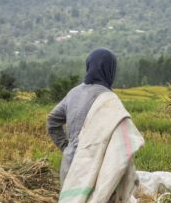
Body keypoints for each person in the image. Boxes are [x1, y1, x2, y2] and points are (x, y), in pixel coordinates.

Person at [46, 48, 119, 185]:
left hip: (70, 166)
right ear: (110, 70)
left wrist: (67, 147)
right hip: (94, 171)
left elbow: (52, 120)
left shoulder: (74, 93)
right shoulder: (109, 98)